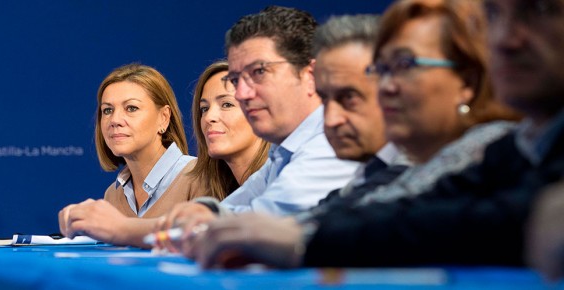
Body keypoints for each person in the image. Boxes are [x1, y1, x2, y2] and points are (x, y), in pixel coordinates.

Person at [193, 0, 564, 269]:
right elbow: (401, 209)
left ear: (466, 80)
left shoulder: (487, 146)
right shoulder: (512, 148)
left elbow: (471, 221)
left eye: (403, 66)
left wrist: (306, 240)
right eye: (382, 69)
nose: (385, 87)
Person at [154, 6, 359, 234]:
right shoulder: (282, 152)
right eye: (236, 79)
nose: (242, 93)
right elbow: (226, 213)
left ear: (311, 75)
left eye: (259, 72)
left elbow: (259, 224)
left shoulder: (331, 143)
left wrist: (123, 229)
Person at [57, 64, 205, 246]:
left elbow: (207, 242)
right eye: (107, 110)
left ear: (164, 118)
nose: (115, 120)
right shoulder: (113, 195)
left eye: (131, 108)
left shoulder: (199, 175)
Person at [188, 60, 270, 201]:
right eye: (204, 108)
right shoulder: (218, 195)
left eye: (227, 104)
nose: (209, 117)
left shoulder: (284, 183)